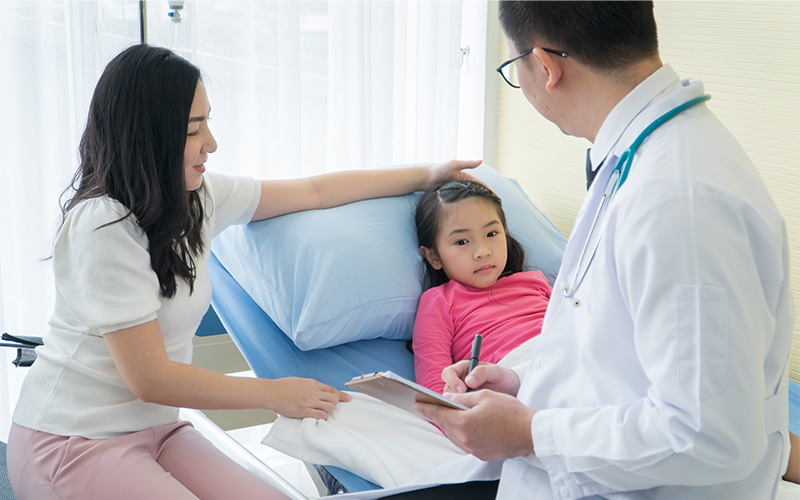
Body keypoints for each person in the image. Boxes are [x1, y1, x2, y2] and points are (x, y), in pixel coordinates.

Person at [6, 44, 480, 500]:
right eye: (194, 130)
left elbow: (313, 191)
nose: (212, 143)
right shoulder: (101, 226)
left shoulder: (196, 198)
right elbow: (149, 378)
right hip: (72, 441)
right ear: (148, 134)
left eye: (208, 122)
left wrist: (427, 175)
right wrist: (273, 394)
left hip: (158, 429)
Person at [410, 2, 795, 500]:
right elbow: (613, 347)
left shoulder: (679, 199)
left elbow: (707, 435)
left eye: (512, 70)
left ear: (546, 66)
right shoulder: (638, 156)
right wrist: (522, 383)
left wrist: (530, 432)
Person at [412, 180, 550, 394]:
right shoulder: (439, 301)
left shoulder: (536, 280)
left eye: (492, 234)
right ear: (433, 256)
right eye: (461, 242)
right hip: (512, 378)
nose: (483, 251)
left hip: (564, 351)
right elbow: (436, 385)